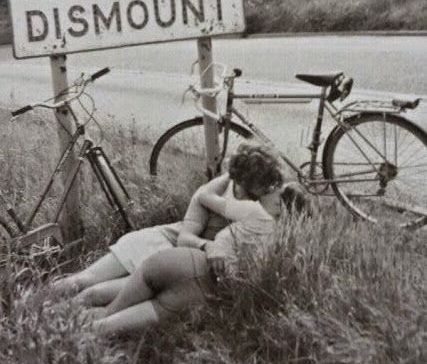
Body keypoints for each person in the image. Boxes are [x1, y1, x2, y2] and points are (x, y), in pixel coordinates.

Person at [80, 143, 298, 336]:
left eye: (268, 190)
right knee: (87, 286)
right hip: (167, 245)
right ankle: (51, 310)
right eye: (259, 189)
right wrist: (209, 246)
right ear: (241, 182)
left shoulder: (258, 206)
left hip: (182, 264)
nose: (263, 195)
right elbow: (186, 237)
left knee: (103, 303)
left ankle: (62, 321)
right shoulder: (224, 197)